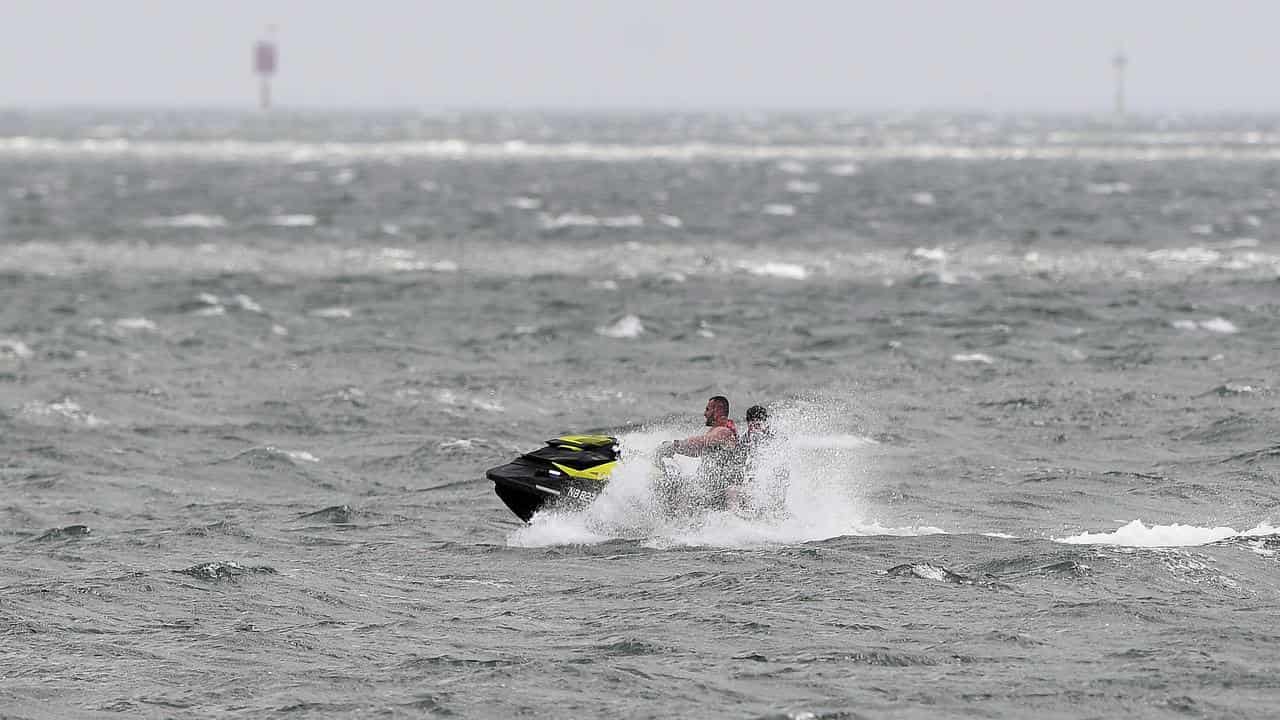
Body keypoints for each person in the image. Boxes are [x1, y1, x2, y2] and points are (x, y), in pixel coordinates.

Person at [655, 396, 740, 512]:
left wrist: (675, 446)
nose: (705, 414)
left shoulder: (724, 431)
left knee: (673, 486)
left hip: (721, 494)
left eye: (707, 409)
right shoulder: (717, 431)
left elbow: (702, 442)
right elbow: (696, 450)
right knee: (673, 483)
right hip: (711, 491)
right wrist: (674, 450)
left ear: (717, 410)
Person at [727, 404, 791, 517]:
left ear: (765, 422)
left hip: (776, 481)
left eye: (758, 424)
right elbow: (738, 464)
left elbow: (783, 467)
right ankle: (737, 519)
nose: (755, 428)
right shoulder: (746, 440)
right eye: (752, 425)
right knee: (733, 490)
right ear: (748, 424)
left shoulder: (776, 438)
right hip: (754, 480)